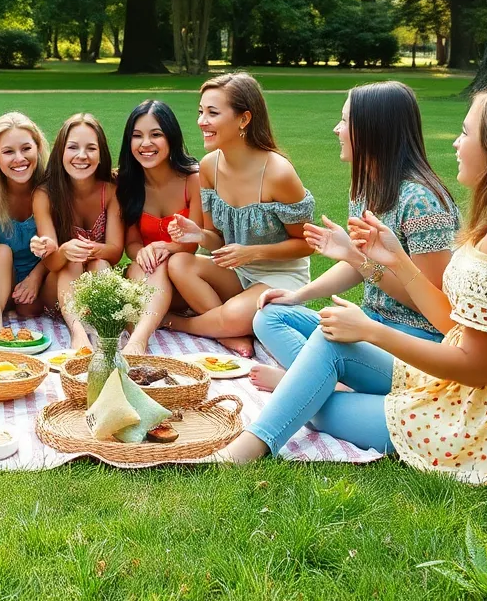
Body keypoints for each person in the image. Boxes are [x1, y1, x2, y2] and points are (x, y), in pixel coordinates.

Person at [222, 88, 487, 485]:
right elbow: (456, 323)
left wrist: (372, 330)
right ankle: (285, 406)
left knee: (316, 402)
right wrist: (396, 260)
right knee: (321, 356)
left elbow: (475, 368)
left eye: (465, 131)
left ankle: (245, 449)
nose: (456, 142)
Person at [250, 82, 458, 392]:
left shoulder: (421, 201)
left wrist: (357, 259)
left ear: (374, 128)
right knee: (269, 317)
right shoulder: (365, 188)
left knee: (323, 345)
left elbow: (434, 306)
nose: (336, 129)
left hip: (415, 339)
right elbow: (356, 263)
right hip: (371, 322)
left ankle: (311, 385)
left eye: (346, 120)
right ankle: (322, 383)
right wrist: (297, 296)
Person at [162, 73, 315, 356]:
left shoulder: (278, 174)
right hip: (238, 272)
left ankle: (182, 324)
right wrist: (199, 235)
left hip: (280, 279)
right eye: (200, 112)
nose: (201, 121)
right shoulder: (208, 167)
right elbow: (219, 242)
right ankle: (226, 330)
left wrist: (252, 252)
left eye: (212, 113)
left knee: (233, 316)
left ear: (244, 119)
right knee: (179, 263)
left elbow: (307, 244)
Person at [30, 114, 125, 351]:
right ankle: (79, 334)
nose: (82, 156)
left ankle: (104, 329)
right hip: (58, 291)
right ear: (61, 151)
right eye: (73, 147)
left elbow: (114, 251)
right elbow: (51, 262)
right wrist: (64, 250)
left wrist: (86, 249)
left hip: (96, 282)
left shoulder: (111, 191)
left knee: (101, 263)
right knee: (71, 263)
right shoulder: (45, 194)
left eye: (91, 148)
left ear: (101, 153)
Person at [115, 100, 203, 355]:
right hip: (146, 273)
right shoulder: (127, 183)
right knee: (142, 266)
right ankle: (137, 342)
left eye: (156, 135)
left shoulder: (193, 179)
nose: (146, 144)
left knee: (165, 263)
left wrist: (164, 246)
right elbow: (132, 242)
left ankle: (139, 339)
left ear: (171, 138)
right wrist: (140, 252)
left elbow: (193, 241)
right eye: (137, 136)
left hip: (183, 278)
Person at [0, 112, 50, 334]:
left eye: (26, 148)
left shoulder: (50, 188)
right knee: (2, 249)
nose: (19, 158)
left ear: (38, 148)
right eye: (8, 151)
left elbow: (59, 243)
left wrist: (35, 277)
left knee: (30, 306)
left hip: (41, 279)